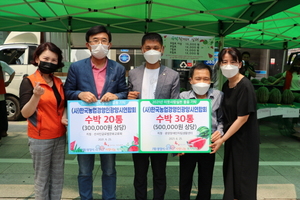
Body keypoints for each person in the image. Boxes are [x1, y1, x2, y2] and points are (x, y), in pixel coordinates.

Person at [64, 25, 128, 200]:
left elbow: (124, 93)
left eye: (104, 41)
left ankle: (109, 197)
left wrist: (116, 95)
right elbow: (67, 92)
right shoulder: (76, 68)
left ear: (110, 44)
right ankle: (86, 197)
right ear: (88, 45)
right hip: (85, 128)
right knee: (84, 170)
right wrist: (79, 94)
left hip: (108, 128)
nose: (100, 44)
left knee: (109, 169)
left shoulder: (118, 68)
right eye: (95, 41)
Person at [127, 32, 180, 200]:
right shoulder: (134, 73)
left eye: (155, 48)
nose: (152, 51)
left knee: (159, 173)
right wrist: (128, 97)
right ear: (142, 49)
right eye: (148, 48)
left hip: (160, 133)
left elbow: (175, 104)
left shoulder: (172, 75)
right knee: (139, 174)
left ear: (162, 50)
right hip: (139, 133)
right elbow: (126, 99)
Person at [209, 47, 260, 200]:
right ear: (219, 64)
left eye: (233, 61)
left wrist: (222, 139)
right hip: (233, 139)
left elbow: (242, 118)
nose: (228, 65)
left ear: (240, 64)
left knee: (243, 179)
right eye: (224, 62)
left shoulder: (245, 86)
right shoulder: (226, 85)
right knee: (231, 176)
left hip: (245, 140)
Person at [19, 42, 67, 200]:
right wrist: (36, 96)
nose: (50, 62)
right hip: (40, 138)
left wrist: (65, 116)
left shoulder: (58, 82)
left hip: (59, 136)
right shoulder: (29, 81)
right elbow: (26, 113)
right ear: (37, 59)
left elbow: (63, 105)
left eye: (54, 60)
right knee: (42, 179)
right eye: (46, 58)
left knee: (57, 177)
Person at [178, 63, 223, 200]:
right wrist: (177, 145)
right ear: (190, 80)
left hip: (209, 145)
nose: (202, 82)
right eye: (198, 79)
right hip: (188, 146)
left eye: (206, 79)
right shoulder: (183, 97)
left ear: (210, 80)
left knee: (206, 179)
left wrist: (220, 132)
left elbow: (222, 119)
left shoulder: (218, 96)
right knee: (185, 179)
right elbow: (177, 122)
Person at [0, 60, 15, 140]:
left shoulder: (2, 64)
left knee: (2, 112)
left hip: (0, 93)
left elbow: (12, 72)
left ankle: (3, 130)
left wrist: (8, 81)